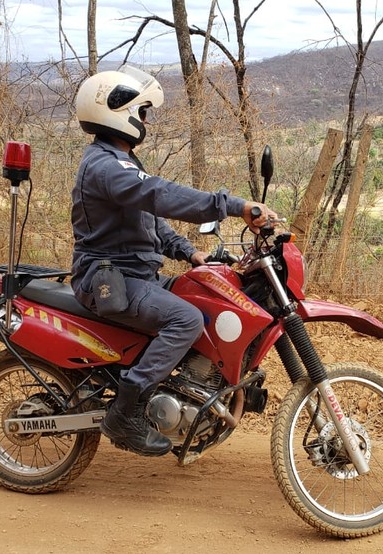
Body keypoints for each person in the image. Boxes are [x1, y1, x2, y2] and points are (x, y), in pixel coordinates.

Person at [71, 65, 276, 457]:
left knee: (202, 301)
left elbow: (149, 221)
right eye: (141, 111)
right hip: (109, 280)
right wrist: (232, 205)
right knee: (185, 319)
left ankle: (183, 393)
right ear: (117, 111)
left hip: (134, 276)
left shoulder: (119, 162)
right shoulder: (105, 166)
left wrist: (190, 252)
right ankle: (125, 413)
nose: (145, 119)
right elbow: (161, 196)